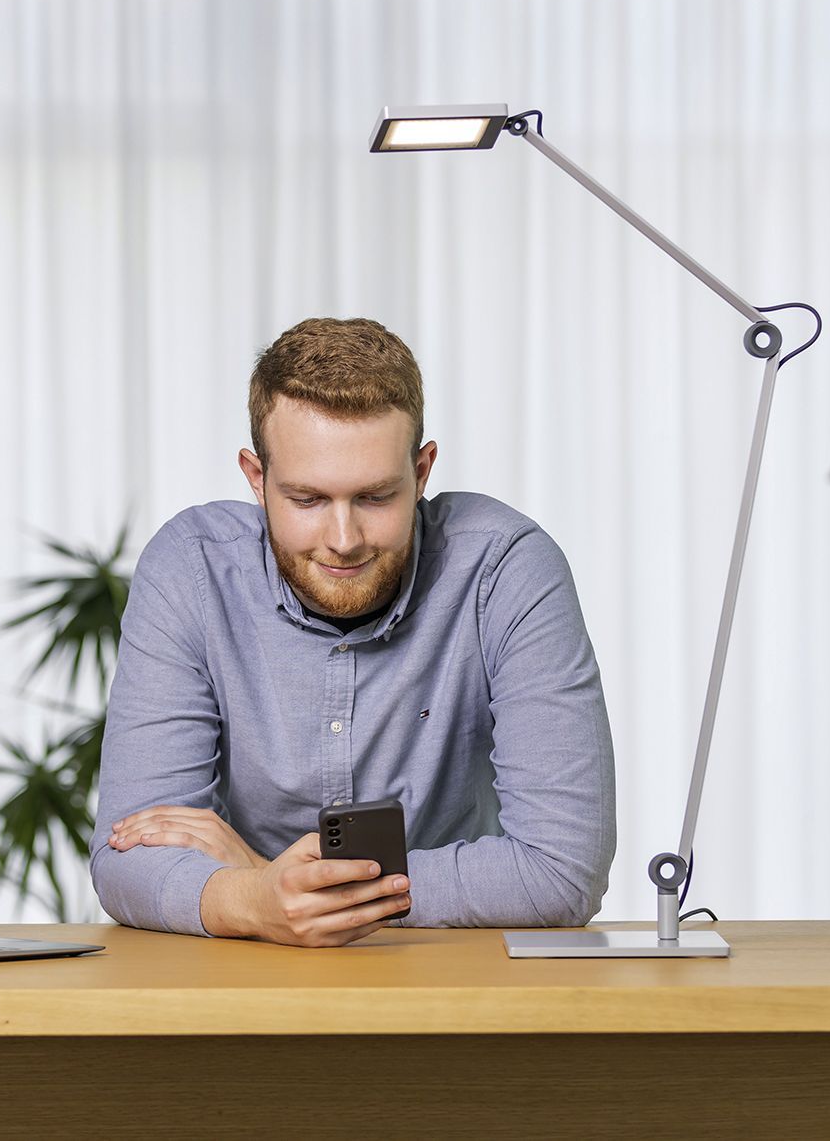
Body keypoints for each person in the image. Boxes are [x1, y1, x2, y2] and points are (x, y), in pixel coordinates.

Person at [90, 317, 615, 947]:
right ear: (256, 479)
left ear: (422, 473)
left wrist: (264, 884)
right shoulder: (190, 567)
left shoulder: (506, 566)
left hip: (453, 986)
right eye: (307, 499)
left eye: (374, 497)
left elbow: (560, 872)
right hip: (242, 990)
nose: (344, 540)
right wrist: (259, 901)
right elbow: (128, 854)